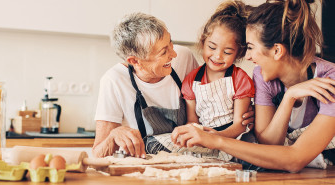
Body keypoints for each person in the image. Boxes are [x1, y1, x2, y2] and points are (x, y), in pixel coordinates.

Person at [171, 0, 335, 172]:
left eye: (250, 48)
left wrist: (215, 140)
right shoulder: (262, 76)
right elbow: (269, 144)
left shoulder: (330, 80)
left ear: (277, 51)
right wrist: (289, 97)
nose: (247, 56)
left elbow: (295, 160)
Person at [92, 12, 254, 158]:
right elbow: (97, 152)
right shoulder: (113, 81)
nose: (174, 53)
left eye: (171, 43)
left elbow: (206, 104)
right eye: (164, 52)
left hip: (189, 160)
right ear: (135, 61)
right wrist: (114, 135)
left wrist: (241, 115)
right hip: (146, 168)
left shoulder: (183, 57)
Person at [149, 0, 255, 162]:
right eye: (212, 47)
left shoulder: (240, 79)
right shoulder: (191, 80)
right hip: (204, 138)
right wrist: (196, 135)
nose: (217, 56)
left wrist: (215, 137)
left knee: (248, 159)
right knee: (151, 143)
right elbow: (192, 122)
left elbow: (240, 125)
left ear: (239, 53)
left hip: (232, 139)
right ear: (203, 42)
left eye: (227, 52)